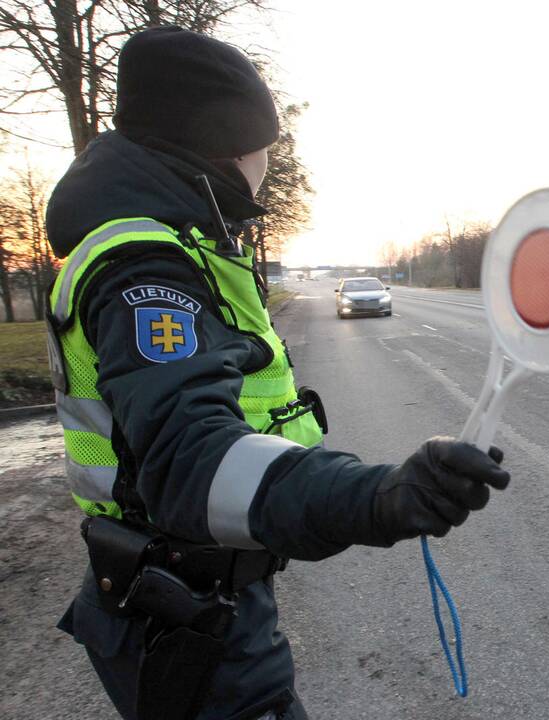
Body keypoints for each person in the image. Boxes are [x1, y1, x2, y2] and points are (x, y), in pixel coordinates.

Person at [45, 26, 509, 720]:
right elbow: (189, 465)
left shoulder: (175, 243)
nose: (269, 157)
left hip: (190, 593)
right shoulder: (147, 265)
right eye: (266, 142)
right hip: (178, 607)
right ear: (232, 141)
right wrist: (376, 496)